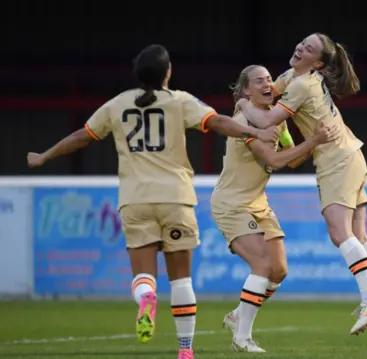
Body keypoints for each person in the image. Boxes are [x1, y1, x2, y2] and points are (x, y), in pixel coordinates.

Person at [26, 44, 279, 359]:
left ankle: (146, 297)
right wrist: (253, 132)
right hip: (175, 198)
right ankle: (185, 351)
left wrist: (44, 155)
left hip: (135, 200)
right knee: (181, 279)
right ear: (168, 72)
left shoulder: (117, 104)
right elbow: (219, 123)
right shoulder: (180, 101)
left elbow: (81, 136)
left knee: (143, 277)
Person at [235, 33, 367, 338]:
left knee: (340, 233)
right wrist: (259, 95)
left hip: (336, 160)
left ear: (319, 63)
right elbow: (270, 92)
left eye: (309, 49)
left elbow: (266, 119)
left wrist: (242, 104)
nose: (300, 48)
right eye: (302, 43)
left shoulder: (302, 84)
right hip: (350, 153)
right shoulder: (296, 76)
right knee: (358, 235)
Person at [212, 65, 337, 352]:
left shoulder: (276, 122)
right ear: (246, 91)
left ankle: (238, 315)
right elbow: (276, 160)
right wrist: (315, 141)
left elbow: (291, 159)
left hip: (258, 203)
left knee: (279, 271)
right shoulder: (245, 122)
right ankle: (242, 338)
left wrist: (309, 144)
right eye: (260, 81)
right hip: (232, 204)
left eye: (269, 79)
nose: (268, 84)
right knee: (263, 266)